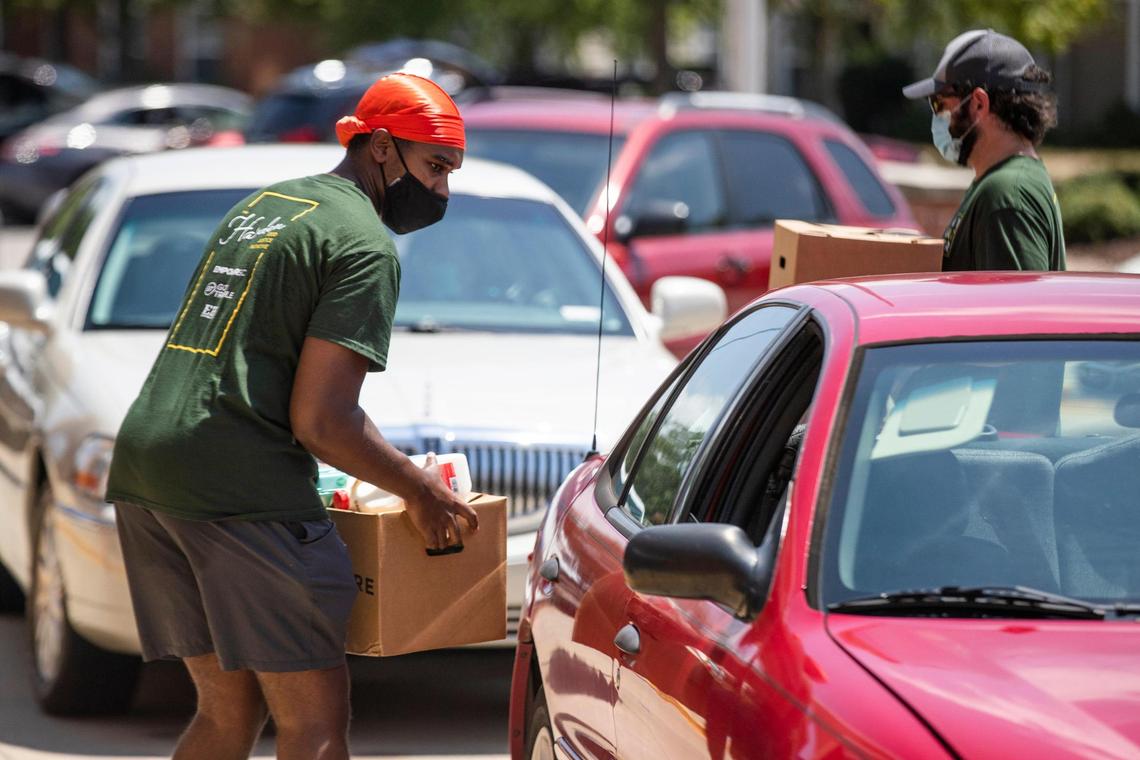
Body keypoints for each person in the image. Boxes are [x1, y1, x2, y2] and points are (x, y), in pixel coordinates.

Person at [104, 73, 477, 760]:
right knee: (315, 726)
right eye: (436, 167)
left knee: (225, 715)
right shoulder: (364, 244)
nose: (443, 191)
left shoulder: (268, 205)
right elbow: (323, 422)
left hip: (148, 471)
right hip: (240, 489)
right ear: (384, 150)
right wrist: (418, 490)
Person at [903, 29, 1066, 272]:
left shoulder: (1007, 194)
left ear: (979, 103)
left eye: (940, 104)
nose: (937, 117)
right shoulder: (1001, 183)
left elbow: (1020, 307)